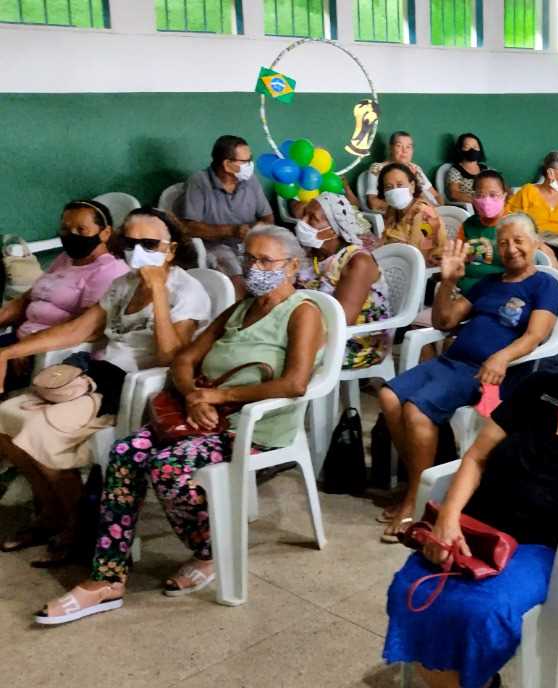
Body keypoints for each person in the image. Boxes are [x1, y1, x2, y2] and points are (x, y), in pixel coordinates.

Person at [33, 226, 323, 624]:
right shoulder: (240, 308)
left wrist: (217, 398)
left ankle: (210, 550)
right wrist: (193, 397)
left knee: (167, 465)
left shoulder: (303, 311)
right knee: (124, 452)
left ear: (292, 266)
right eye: (249, 258)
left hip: (250, 427)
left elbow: (296, 382)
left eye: (266, 261)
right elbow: (184, 360)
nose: (254, 268)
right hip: (202, 417)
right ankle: (107, 578)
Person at [383, 305, 558, 688]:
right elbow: (476, 457)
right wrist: (448, 517)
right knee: (410, 589)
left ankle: (469, 678)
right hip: (483, 524)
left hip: (553, 546)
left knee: (481, 610)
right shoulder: (539, 388)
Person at [0, 208, 210, 567]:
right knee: (4, 417)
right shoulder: (123, 284)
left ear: (170, 249)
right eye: (130, 243)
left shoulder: (187, 291)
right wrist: (7, 352)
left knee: (38, 431)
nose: (138, 251)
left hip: (138, 391)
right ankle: (52, 513)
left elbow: (170, 357)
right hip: (97, 377)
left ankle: (79, 526)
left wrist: (157, 292)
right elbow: (78, 331)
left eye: (149, 244)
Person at [377, 213, 558, 541]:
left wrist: (501, 356)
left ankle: (416, 502)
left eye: (519, 241)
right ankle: (420, 483)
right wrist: (447, 282)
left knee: (416, 410)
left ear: (535, 243)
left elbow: (537, 335)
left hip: (486, 372)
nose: (511, 249)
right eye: (504, 243)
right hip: (451, 361)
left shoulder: (544, 284)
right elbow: (444, 321)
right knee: (389, 396)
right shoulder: (486, 284)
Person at [0, 200, 128, 391]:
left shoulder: (109, 271)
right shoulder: (65, 259)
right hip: (20, 340)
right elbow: (26, 300)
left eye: (81, 229)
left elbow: (80, 328)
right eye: (65, 229)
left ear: (105, 233)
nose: (71, 235)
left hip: (46, 350)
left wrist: (24, 347)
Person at [292, 192, 389, 369]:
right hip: (311, 329)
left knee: (275, 355)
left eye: (312, 218)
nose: (303, 222)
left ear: (332, 229)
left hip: (355, 343)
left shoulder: (357, 262)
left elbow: (341, 321)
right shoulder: (312, 255)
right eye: (304, 215)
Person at [180, 134, 274, 282]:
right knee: (237, 277)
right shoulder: (199, 182)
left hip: (250, 245)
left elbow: (268, 217)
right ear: (227, 164)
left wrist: (257, 230)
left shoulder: (251, 181)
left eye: (251, 159)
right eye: (245, 161)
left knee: (273, 270)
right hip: (215, 247)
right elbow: (188, 227)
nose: (250, 164)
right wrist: (232, 230)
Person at [458, 170, 557, 291]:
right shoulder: (468, 225)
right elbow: (457, 257)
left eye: (493, 195)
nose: (486, 201)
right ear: (473, 197)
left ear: (504, 196)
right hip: (465, 287)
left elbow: (547, 254)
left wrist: (556, 286)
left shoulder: (516, 224)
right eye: (480, 195)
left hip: (501, 290)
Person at [377, 161, 445, 266]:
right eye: (388, 187)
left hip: (423, 268)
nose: (395, 190)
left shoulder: (423, 213)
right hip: (397, 261)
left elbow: (419, 254)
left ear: (412, 186)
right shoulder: (393, 209)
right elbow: (385, 238)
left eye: (400, 185)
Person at [367, 131, 443, 210]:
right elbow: (373, 202)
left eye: (408, 147)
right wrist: (405, 209)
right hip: (398, 215)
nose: (404, 151)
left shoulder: (416, 168)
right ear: (390, 148)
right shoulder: (377, 168)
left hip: (428, 211)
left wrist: (440, 209)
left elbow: (436, 195)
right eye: (399, 146)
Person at [444, 133, 489, 205]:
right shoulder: (455, 170)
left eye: (475, 147)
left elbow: (501, 186)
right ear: (460, 150)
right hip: (471, 206)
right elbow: (454, 193)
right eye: (467, 147)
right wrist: (478, 201)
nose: (472, 150)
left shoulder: (486, 169)